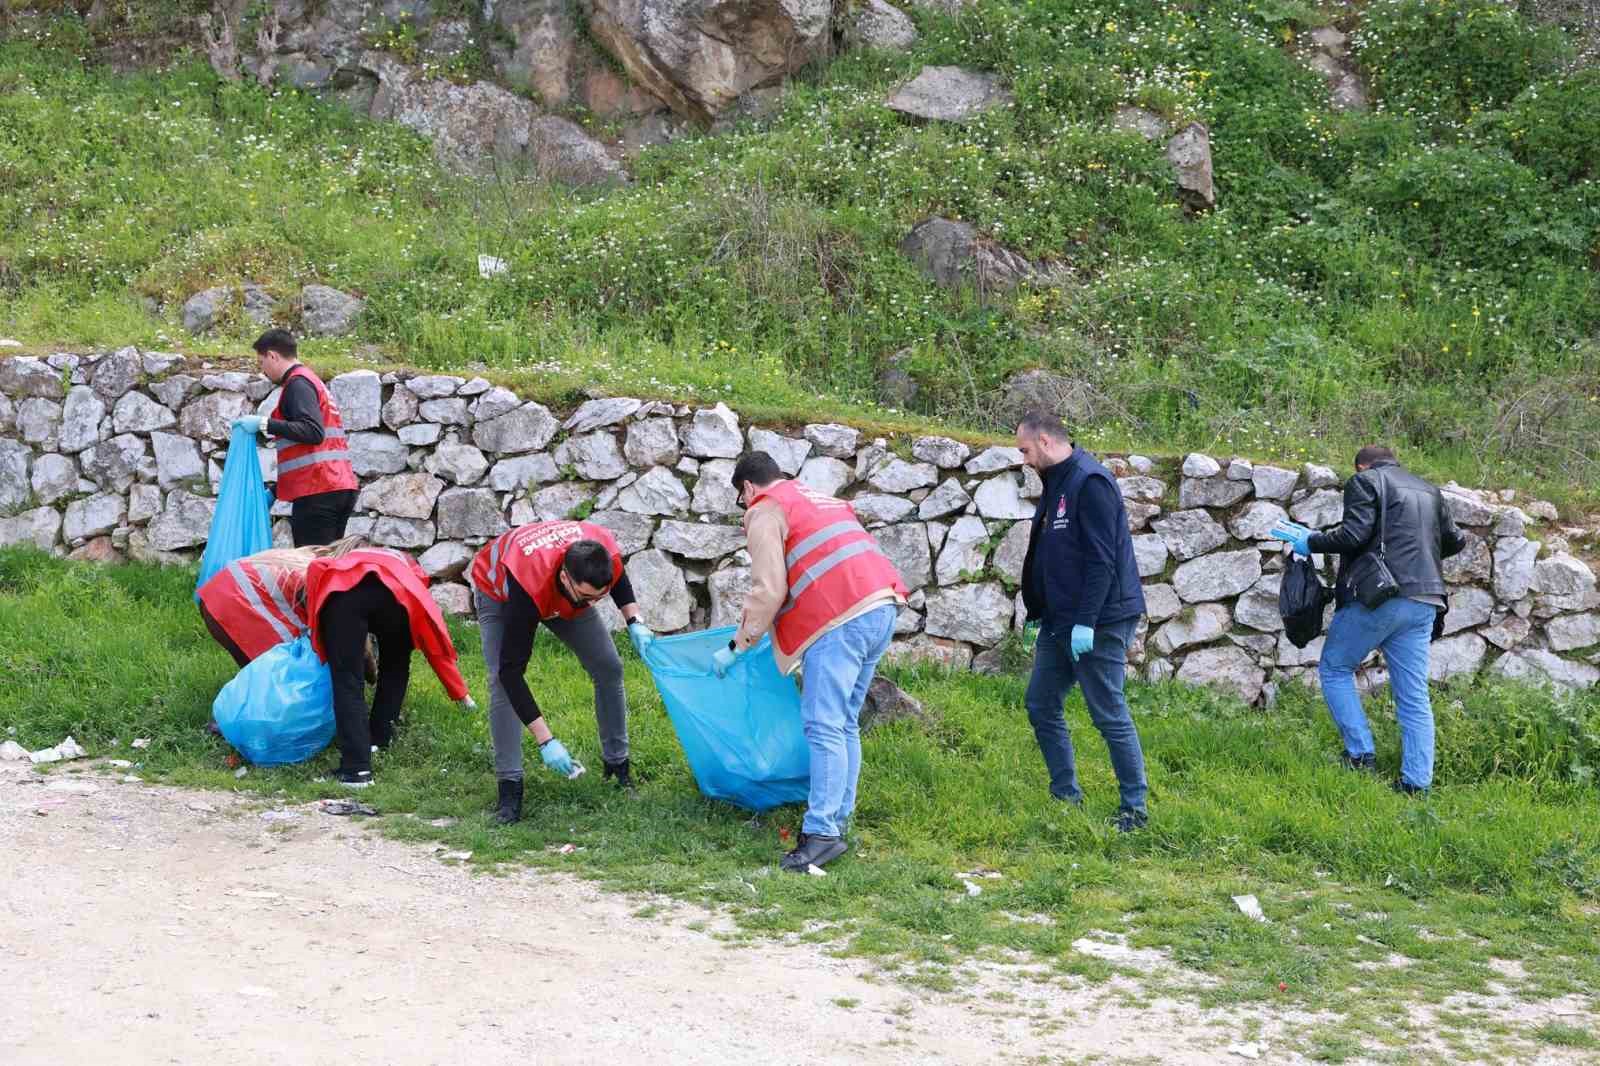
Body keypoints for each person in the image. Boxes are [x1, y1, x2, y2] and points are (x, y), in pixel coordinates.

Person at [717, 451, 907, 873]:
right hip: (881, 607)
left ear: (747, 488)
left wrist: (737, 645)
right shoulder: (816, 497)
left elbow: (768, 589)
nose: (744, 509)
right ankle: (839, 822)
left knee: (823, 725)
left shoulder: (766, 509)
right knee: (843, 723)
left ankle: (820, 835)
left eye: (741, 501)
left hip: (840, 619)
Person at [1271, 445, 1465, 794]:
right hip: (1426, 600)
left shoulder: (1365, 482)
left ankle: (1360, 754)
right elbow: (1455, 541)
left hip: (1380, 596)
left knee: (1335, 667)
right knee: (1414, 695)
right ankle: (1415, 783)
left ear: (1361, 465)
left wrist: (1308, 542)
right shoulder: (1428, 489)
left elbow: (1354, 535)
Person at [469, 520, 655, 824]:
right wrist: (546, 741)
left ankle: (618, 767)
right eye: (586, 598)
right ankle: (510, 790)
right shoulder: (527, 584)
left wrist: (635, 621)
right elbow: (511, 672)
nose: (592, 604)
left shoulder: (602, 550)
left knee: (609, 667)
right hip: (503, 591)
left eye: (599, 597)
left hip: (554, 588)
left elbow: (618, 583)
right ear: (566, 577)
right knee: (501, 685)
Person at [1015, 411, 1150, 832]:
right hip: (1059, 619)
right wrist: (1038, 612)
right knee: (1041, 702)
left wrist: (1087, 623)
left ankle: (1135, 809)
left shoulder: (1090, 483)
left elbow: (1101, 561)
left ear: (1045, 441)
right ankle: (1065, 796)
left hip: (1100, 619)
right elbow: (1049, 555)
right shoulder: (1055, 481)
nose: (1023, 459)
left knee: (1107, 711)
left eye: (1024, 450)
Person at [304, 547, 475, 788]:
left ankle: (356, 770)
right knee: (396, 667)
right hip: (400, 594)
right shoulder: (408, 567)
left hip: (345, 592)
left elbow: (315, 573)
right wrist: (461, 694)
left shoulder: (340, 562)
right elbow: (436, 647)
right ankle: (379, 739)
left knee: (347, 681)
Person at [231, 329, 358, 547]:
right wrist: (276, 490)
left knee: (313, 566)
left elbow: (313, 432)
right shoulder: (310, 381)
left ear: (273, 356)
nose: (263, 371)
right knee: (329, 566)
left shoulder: (297, 385)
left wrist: (264, 423)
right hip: (334, 485)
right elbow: (309, 454)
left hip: (318, 492)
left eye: (262, 363)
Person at [196, 536, 366, 667]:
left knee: (260, 675)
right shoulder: (323, 574)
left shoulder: (304, 553)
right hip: (237, 604)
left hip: (212, 598)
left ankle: (245, 703)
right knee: (293, 667)